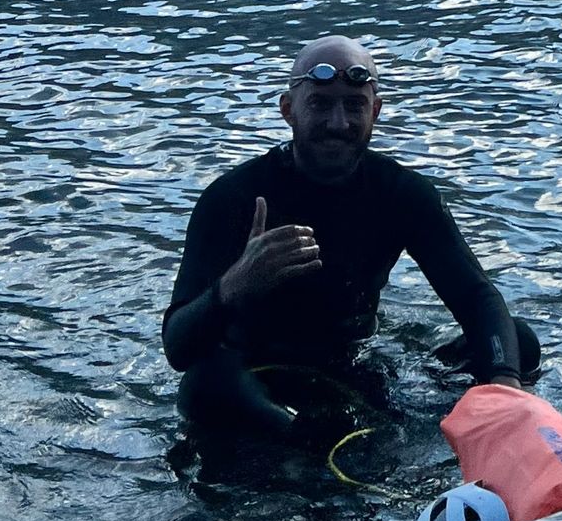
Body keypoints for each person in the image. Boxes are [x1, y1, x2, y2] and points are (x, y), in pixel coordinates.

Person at [163, 33, 540, 447]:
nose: (338, 123)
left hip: (352, 364)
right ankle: (298, 439)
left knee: (515, 345)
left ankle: (335, 441)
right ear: (289, 111)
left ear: (375, 111)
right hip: (258, 376)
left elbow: (475, 297)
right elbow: (178, 347)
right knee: (204, 384)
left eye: (354, 105)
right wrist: (236, 284)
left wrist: (506, 389)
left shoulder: (400, 193)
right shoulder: (234, 197)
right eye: (320, 104)